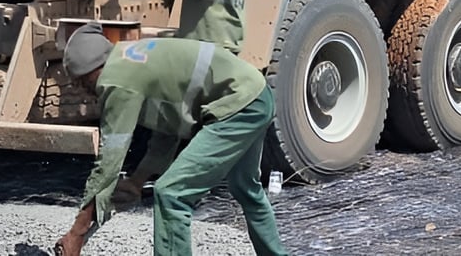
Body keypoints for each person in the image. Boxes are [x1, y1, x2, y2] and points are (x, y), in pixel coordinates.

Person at [55, 23, 288, 256]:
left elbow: (108, 163)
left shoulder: (115, 81)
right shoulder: (129, 60)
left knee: (171, 193)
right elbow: (168, 130)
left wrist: (77, 233)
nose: (83, 90)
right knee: (246, 188)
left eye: (82, 81)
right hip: (256, 95)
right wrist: (137, 181)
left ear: (94, 68)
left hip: (238, 106)